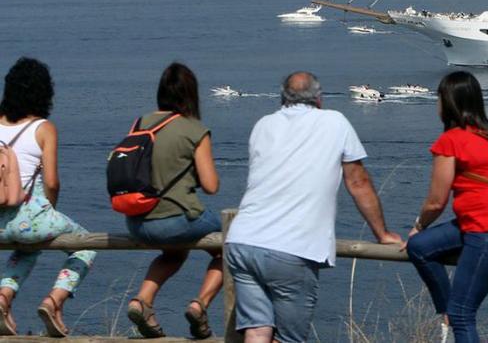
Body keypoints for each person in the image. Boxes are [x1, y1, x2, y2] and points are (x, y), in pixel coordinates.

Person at [224, 71, 402, 343]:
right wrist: (382, 233)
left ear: (282, 98)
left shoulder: (263, 125)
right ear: (319, 99)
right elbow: (358, 181)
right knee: (291, 338)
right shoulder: (335, 122)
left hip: (242, 241)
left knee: (257, 331)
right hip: (291, 246)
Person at [405, 71, 488, 343]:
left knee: (463, 315)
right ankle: (447, 307)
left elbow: (436, 201)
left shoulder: (450, 141)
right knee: (420, 247)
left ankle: (452, 310)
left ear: (447, 102)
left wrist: (419, 226)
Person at [125, 62, 223, 339]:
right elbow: (211, 185)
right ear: (191, 94)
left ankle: (142, 301)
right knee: (234, 245)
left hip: (137, 221)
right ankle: (200, 305)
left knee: (174, 253)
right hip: (175, 220)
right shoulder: (194, 129)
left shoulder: (140, 123)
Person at [0, 57, 96, 338]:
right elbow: (51, 182)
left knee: (26, 250)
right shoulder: (43, 128)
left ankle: (3, 298)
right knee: (85, 245)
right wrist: (47, 210)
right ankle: (53, 302)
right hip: (27, 218)